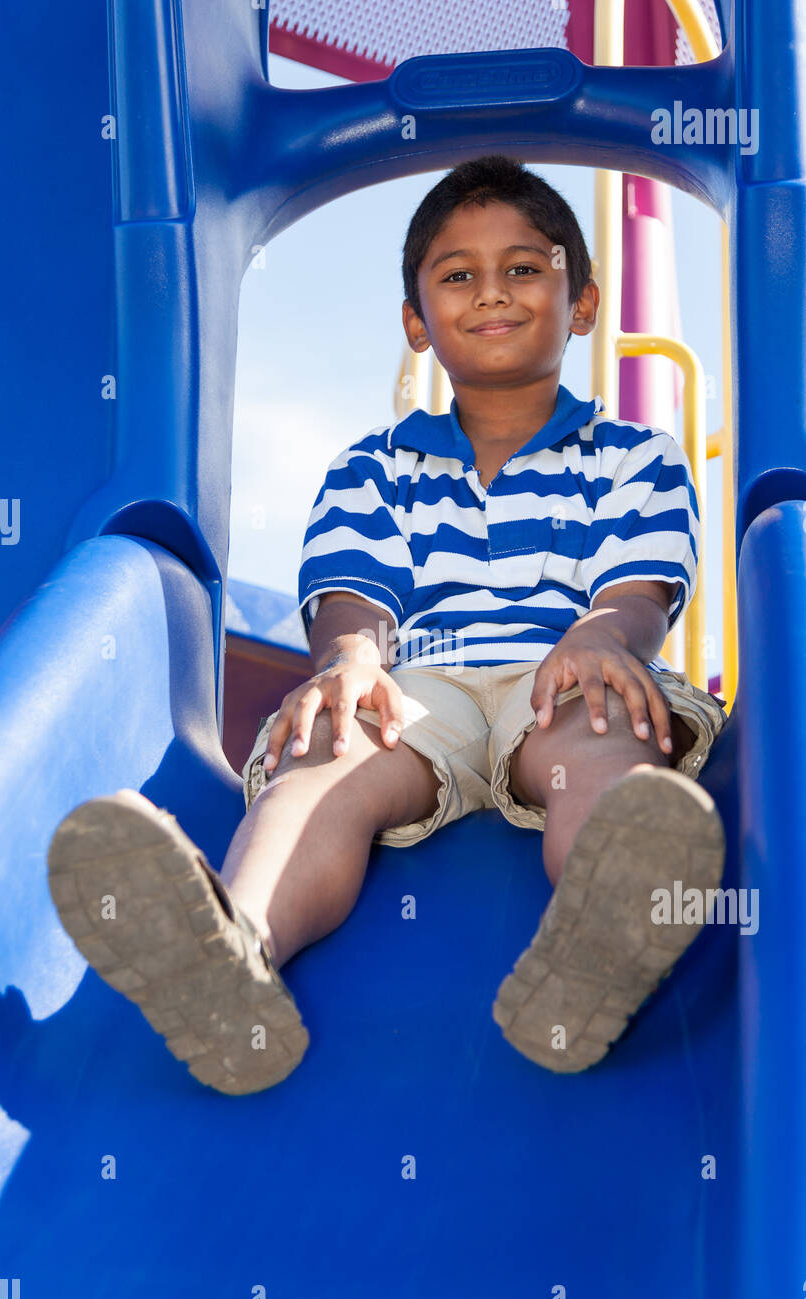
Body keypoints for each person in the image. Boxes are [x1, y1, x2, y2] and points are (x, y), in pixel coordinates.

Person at [47, 155, 727, 1096]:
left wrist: (606, 636)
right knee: (331, 753)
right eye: (458, 276)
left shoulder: (633, 456)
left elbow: (637, 588)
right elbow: (353, 594)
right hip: (425, 688)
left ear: (582, 303)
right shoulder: (375, 467)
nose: (492, 292)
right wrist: (353, 658)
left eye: (525, 267)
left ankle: (597, 942)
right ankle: (233, 952)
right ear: (418, 321)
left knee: (605, 738)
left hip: (563, 674)